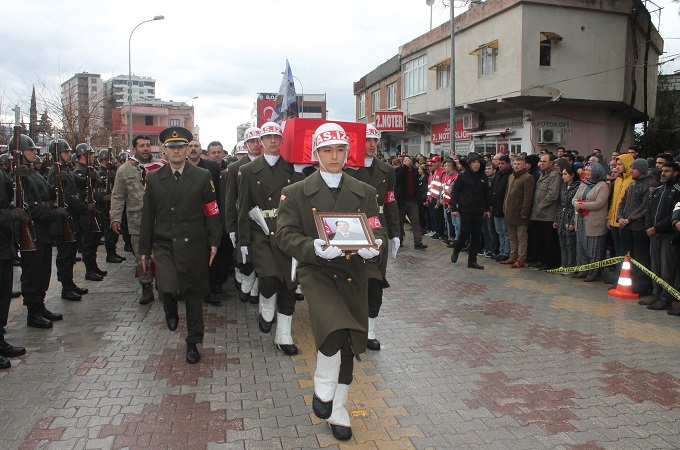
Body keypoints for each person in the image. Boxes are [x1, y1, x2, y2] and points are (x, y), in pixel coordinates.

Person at [276, 122, 387, 441]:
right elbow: (284, 234)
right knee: (334, 328)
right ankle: (323, 387)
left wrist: (373, 245)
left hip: (354, 274)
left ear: (347, 152)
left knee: (350, 342)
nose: (334, 156)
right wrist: (312, 247)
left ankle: (339, 408)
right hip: (318, 272)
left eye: (340, 149)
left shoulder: (364, 191)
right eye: (327, 150)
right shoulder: (297, 192)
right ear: (316, 153)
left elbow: (376, 227)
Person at [138, 126, 221, 364]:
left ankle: (193, 342)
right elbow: (148, 215)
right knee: (167, 286)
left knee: (194, 296)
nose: (176, 151)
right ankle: (170, 308)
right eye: (171, 147)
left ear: (187, 149)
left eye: (181, 147)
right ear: (164, 151)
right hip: (164, 244)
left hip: (194, 243)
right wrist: (144, 249)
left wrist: (214, 240)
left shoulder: (202, 176)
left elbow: (211, 210)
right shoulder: (154, 178)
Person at [237, 121, 303, 355]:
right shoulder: (247, 171)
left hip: (287, 232)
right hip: (261, 233)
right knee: (270, 278)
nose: (273, 141)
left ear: (282, 140)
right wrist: (243, 241)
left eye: (277, 136)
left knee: (288, 284)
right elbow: (243, 207)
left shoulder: (292, 170)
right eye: (268, 137)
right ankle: (266, 305)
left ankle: (284, 336)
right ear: (261, 141)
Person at [343, 124, 397, 350]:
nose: (373, 144)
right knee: (353, 279)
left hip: (378, 228)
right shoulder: (347, 169)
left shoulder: (387, 169)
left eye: (375, 140)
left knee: (376, 280)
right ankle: (349, 325)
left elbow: (391, 200)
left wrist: (395, 233)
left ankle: (370, 329)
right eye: (368, 140)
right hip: (352, 228)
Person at [11, 134, 68, 328]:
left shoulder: (33, 173)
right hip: (32, 229)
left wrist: (61, 183)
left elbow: (47, 193)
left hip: (42, 230)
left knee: (43, 271)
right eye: (31, 150)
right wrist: (54, 214)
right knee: (32, 272)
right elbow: (31, 207)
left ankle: (40, 306)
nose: (35, 152)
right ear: (19, 153)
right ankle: (32, 312)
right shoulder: (20, 175)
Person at [110, 135, 164, 305]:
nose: (146, 148)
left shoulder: (161, 166)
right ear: (135, 149)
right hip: (137, 220)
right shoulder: (125, 170)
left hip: (159, 220)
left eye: (148, 145)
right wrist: (115, 218)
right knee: (142, 257)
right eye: (142, 146)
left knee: (161, 255)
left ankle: (163, 287)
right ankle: (146, 287)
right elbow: (118, 196)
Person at [46, 139, 89, 301]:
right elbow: (52, 195)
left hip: (71, 216)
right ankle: (65, 287)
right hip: (60, 219)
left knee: (70, 254)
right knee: (64, 256)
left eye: (70, 152)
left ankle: (70, 284)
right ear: (57, 154)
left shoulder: (66, 169)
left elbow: (77, 184)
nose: (70, 154)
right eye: (66, 152)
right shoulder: (54, 172)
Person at [187, 139, 222, 306]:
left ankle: (212, 290)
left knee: (211, 253)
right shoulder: (180, 167)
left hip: (208, 217)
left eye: (196, 146)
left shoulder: (212, 167)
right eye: (190, 147)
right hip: (187, 219)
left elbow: (218, 194)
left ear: (201, 150)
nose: (193, 150)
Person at [0, 150, 27, 368]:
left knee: (3, 294)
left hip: (4, 243)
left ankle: (0, 340)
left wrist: (16, 177)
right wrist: (8, 214)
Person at [644, 162, 680, 311]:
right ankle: (656, 294)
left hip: (668, 235)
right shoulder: (658, 190)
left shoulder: (677, 190)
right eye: (662, 171)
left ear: (676, 173)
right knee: (655, 268)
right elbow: (649, 210)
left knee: (667, 269)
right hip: (654, 235)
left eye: (667, 171)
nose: (663, 173)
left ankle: (666, 298)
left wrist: (657, 228)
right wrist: (649, 227)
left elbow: (674, 214)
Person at [617, 159, 654, 297]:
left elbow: (645, 207)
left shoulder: (649, 185)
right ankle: (626, 281)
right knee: (626, 256)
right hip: (626, 227)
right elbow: (622, 202)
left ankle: (642, 285)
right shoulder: (632, 184)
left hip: (638, 227)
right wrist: (620, 217)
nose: (631, 170)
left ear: (642, 170)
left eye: (634, 168)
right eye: (630, 168)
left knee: (641, 258)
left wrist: (629, 219)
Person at [73, 143, 107, 281]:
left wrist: (96, 178)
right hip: (86, 212)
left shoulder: (91, 170)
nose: (93, 157)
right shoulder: (78, 172)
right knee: (88, 241)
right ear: (82, 156)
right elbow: (79, 192)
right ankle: (89, 270)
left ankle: (93, 266)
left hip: (95, 208)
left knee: (94, 240)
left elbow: (99, 188)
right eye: (90, 154)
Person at [450, 154, 489, 269]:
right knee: (464, 233)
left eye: (478, 162)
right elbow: (455, 192)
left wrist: (487, 208)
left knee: (477, 236)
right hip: (466, 209)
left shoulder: (483, 176)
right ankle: (456, 250)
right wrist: (454, 208)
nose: (476, 164)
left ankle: (472, 260)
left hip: (479, 210)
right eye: (474, 162)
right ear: (469, 164)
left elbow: (486, 193)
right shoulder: (463, 176)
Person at [572, 162, 610, 281]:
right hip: (582, 220)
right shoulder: (583, 184)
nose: (587, 172)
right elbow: (575, 198)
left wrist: (582, 205)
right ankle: (583, 269)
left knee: (593, 248)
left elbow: (599, 203)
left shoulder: (602, 186)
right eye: (586, 170)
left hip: (594, 221)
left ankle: (593, 273)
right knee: (582, 245)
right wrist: (575, 203)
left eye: (589, 170)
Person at [529, 154, 562, 270]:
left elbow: (552, 194)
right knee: (539, 239)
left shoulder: (555, 175)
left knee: (548, 241)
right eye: (541, 161)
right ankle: (540, 260)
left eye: (544, 161)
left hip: (547, 213)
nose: (541, 163)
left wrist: (541, 206)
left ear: (551, 163)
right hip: (537, 213)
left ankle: (548, 262)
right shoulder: (541, 174)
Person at [501, 156, 535, 268]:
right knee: (512, 237)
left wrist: (524, 212)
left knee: (521, 238)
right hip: (509, 212)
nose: (516, 166)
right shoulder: (511, 176)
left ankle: (521, 259)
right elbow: (507, 194)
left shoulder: (528, 178)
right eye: (515, 163)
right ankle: (512, 256)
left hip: (520, 213)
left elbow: (527, 198)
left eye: (519, 164)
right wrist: (504, 207)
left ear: (524, 165)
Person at [97, 149, 126, 264]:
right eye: (110, 159)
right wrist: (105, 197)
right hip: (104, 207)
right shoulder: (100, 172)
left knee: (114, 230)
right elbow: (98, 191)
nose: (113, 161)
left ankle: (113, 252)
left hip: (112, 204)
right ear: (104, 159)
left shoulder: (112, 172)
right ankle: (110, 254)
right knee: (109, 230)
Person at [395, 155, 427, 249]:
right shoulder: (399, 170)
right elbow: (397, 179)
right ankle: (399, 240)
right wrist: (404, 167)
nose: (408, 162)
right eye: (406, 161)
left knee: (415, 222)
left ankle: (418, 242)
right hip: (401, 201)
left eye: (409, 160)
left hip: (413, 201)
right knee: (399, 222)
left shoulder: (414, 171)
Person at [554, 165, 581, 269]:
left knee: (570, 244)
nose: (563, 177)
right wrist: (556, 219)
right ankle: (563, 264)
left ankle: (571, 265)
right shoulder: (563, 186)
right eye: (562, 174)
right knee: (563, 244)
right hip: (562, 218)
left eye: (565, 174)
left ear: (572, 175)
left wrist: (573, 222)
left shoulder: (578, 187)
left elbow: (576, 206)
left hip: (571, 217)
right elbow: (560, 204)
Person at [490, 155, 513, 262]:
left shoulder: (511, 175)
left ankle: (506, 252)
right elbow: (492, 190)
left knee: (506, 232)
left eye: (502, 163)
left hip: (504, 209)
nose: (500, 165)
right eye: (499, 163)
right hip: (495, 208)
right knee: (499, 232)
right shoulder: (498, 174)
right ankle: (501, 251)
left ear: (508, 164)